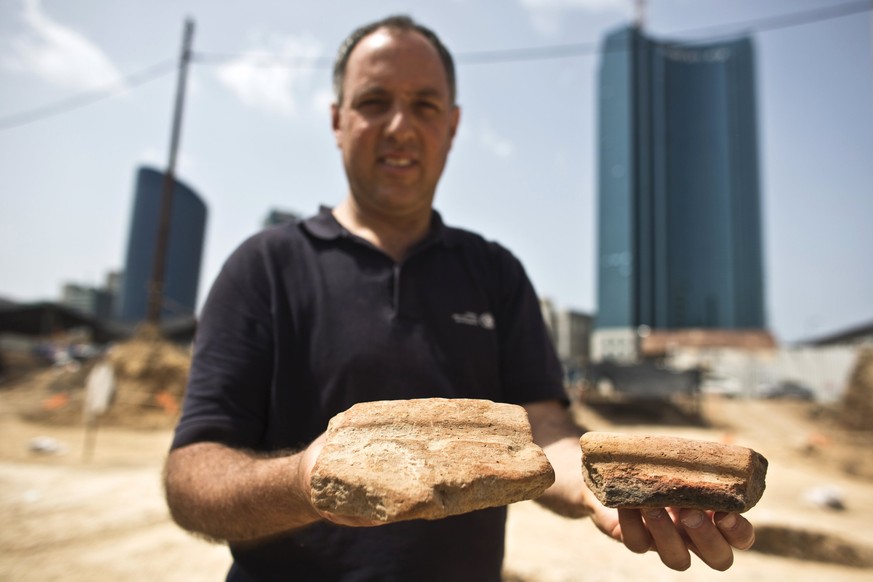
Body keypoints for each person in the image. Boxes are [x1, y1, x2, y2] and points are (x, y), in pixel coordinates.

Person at [163, 15, 755, 581]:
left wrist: (603, 491)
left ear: (452, 124)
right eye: (374, 102)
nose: (400, 126)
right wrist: (306, 480)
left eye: (424, 105)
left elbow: (543, 432)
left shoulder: (495, 274)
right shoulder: (263, 268)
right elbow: (193, 477)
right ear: (337, 120)